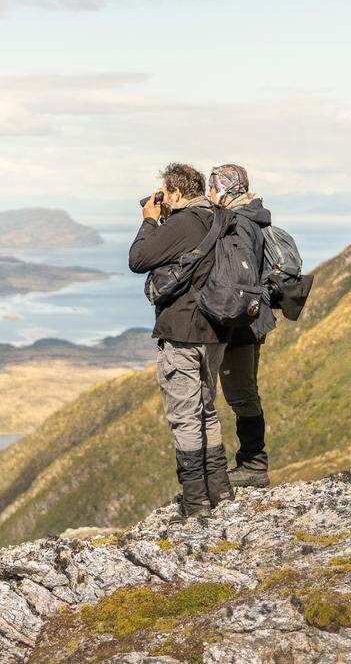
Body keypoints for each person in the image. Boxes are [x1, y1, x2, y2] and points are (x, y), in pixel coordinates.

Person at [128, 163, 233, 520]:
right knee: (206, 409)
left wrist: (148, 221)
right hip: (217, 331)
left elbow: (138, 259)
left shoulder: (183, 223)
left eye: (164, 193)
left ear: (174, 193)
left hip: (183, 331)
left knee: (184, 417)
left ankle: (195, 502)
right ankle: (220, 491)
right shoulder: (218, 218)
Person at [207, 164, 275, 488]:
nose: (209, 195)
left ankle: (253, 464)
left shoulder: (238, 223)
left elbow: (238, 278)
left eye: (213, 187)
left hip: (241, 322)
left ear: (226, 189)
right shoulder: (251, 218)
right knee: (244, 391)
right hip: (249, 317)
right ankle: (251, 462)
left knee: (241, 393)